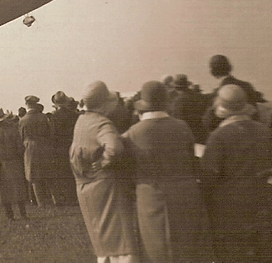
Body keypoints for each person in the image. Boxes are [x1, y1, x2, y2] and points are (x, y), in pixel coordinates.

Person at [123, 80, 213, 263]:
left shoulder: (132, 134)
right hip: (185, 194)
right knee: (188, 248)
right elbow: (191, 158)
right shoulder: (182, 126)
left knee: (155, 248)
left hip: (151, 195)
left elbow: (127, 168)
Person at [200, 84, 272, 261]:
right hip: (262, 203)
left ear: (221, 108)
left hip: (230, 210)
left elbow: (208, 177)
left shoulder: (218, 136)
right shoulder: (264, 132)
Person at [70, 80, 139, 263]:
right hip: (106, 188)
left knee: (102, 244)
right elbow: (115, 149)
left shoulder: (82, 121)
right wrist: (104, 160)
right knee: (121, 242)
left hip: (86, 187)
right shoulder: (102, 123)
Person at [202, 54, 266, 134]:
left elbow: (209, 122)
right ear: (229, 67)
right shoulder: (247, 86)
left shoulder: (217, 93)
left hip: (228, 136)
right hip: (252, 133)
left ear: (212, 71)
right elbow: (255, 114)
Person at [18, 95, 60, 208]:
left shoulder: (23, 120)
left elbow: (21, 137)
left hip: (30, 148)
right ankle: (56, 199)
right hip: (45, 146)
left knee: (34, 176)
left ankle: (41, 202)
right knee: (49, 174)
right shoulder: (43, 117)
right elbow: (51, 133)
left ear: (27, 105)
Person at [0, 108, 28, 221]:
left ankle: (10, 216)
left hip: (1, 164)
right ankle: (23, 213)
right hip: (15, 162)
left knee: (4, 191)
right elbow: (20, 148)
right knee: (18, 188)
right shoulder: (13, 131)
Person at [166, 73, 209, 143]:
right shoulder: (199, 96)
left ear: (175, 87)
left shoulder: (176, 100)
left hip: (181, 136)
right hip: (199, 134)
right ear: (187, 85)